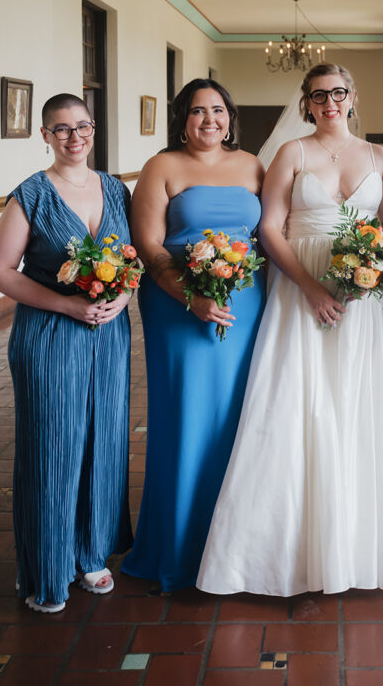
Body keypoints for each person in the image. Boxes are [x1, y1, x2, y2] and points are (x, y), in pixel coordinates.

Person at [196, 63, 383, 596]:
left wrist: (372, 265)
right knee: (298, 405)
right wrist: (311, 286)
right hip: (300, 294)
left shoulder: (379, 158)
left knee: (361, 404)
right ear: (306, 103)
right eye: (318, 95)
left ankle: (360, 543)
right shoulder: (292, 154)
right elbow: (269, 228)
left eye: (338, 93)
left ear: (352, 98)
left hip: (364, 300)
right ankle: (285, 551)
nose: (329, 102)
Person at [0, 94, 134, 613]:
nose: (75, 137)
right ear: (45, 135)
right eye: (62, 129)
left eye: (83, 126)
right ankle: (48, 570)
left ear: (94, 130)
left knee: (105, 441)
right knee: (54, 447)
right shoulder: (31, 194)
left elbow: (130, 261)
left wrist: (124, 295)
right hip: (50, 334)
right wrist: (66, 306)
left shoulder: (116, 189)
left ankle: (92, 555)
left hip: (109, 337)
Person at [121, 78, 265, 591]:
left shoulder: (253, 165)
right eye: (199, 111)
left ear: (230, 117)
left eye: (219, 110)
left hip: (246, 305)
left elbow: (272, 234)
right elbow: (151, 246)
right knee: (186, 417)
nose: (210, 120)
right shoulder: (162, 167)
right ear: (182, 118)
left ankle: (235, 548)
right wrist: (192, 296)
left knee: (240, 416)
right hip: (176, 305)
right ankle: (180, 549)